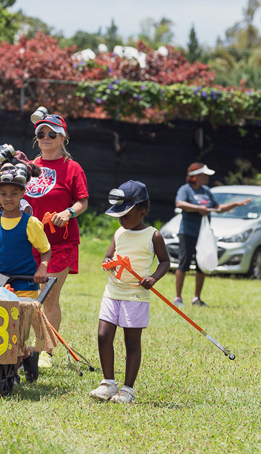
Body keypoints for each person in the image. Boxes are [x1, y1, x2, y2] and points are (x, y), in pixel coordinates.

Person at [0, 163, 51, 381]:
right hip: (1, 284)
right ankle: (22, 357)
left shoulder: (30, 223)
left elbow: (45, 250)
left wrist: (42, 268)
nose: (9, 198)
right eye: (3, 193)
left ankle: (12, 372)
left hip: (26, 286)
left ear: (22, 194)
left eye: (14, 193)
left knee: (18, 332)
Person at [90, 180, 170, 404]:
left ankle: (127, 389)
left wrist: (153, 278)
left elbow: (165, 261)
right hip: (113, 292)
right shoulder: (119, 233)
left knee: (131, 343)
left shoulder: (153, 235)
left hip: (135, 296)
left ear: (142, 211)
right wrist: (109, 262)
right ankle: (108, 383)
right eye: (119, 216)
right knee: (103, 336)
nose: (121, 220)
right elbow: (108, 256)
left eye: (125, 215)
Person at [24, 112, 88, 368]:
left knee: (48, 297)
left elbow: (82, 201)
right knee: (24, 295)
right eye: (41, 134)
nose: (46, 138)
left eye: (52, 133)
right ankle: (21, 347)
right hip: (27, 242)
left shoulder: (73, 168)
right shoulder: (28, 166)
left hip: (60, 243)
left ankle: (45, 351)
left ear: (63, 137)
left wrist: (68, 212)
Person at [173, 163, 250, 307]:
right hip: (188, 232)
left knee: (202, 264)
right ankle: (178, 298)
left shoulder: (206, 191)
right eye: (204, 175)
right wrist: (198, 209)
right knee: (184, 264)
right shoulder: (185, 189)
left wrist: (235, 204)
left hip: (204, 235)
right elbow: (179, 203)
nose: (207, 177)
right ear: (195, 177)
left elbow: (217, 208)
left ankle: (196, 298)